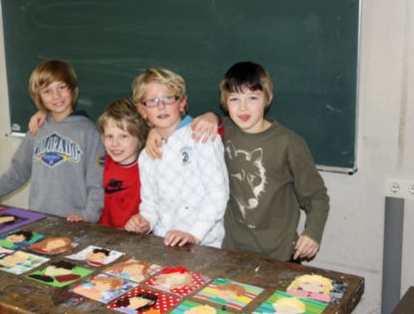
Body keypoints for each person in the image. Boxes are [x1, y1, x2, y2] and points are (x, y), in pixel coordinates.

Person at [147, 62, 329, 262]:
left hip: (279, 253)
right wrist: (156, 131)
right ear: (225, 102)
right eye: (234, 99)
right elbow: (181, 127)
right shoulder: (220, 132)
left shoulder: (289, 143)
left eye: (252, 97)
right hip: (231, 250)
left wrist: (312, 233)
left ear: (268, 98)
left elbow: (316, 196)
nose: (243, 107)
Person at [0, 60, 104, 223]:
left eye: (61, 87)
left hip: (75, 222)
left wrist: (88, 217)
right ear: (39, 96)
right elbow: (17, 172)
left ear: (72, 88)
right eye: (47, 91)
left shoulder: (90, 133)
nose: (56, 96)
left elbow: (97, 184)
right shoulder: (37, 129)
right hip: (38, 219)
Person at [124, 68, 229, 248]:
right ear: (142, 110)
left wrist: (193, 234)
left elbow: (217, 195)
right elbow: (150, 204)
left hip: (205, 245)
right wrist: (144, 221)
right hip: (164, 245)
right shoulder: (147, 155)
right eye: (152, 101)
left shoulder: (202, 138)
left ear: (182, 103)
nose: (161, 106)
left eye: (168, 98)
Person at [30, 97, 148, 228]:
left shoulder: (148, 169)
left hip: (134, 236)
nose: (115, 144)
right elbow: (94, 195)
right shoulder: (100, 163)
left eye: (123, 136)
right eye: (109, 136)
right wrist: (84, 217)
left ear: (140, 136)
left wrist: (143, 224)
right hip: (101, 234)